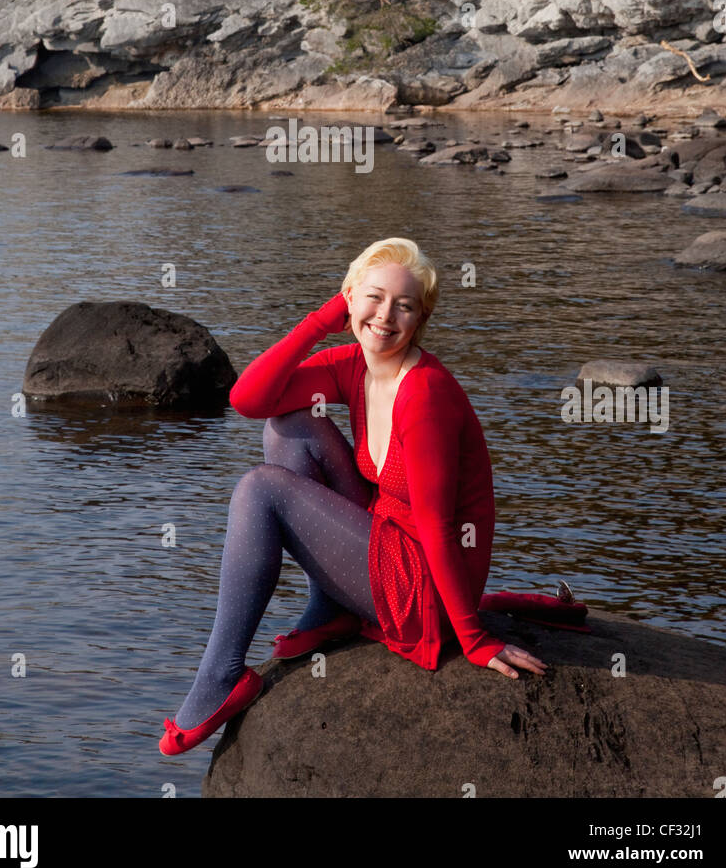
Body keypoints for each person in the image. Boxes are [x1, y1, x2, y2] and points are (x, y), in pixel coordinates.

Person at [159, 236, 548, 757]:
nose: (386, 316)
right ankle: (331, 608)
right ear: (348, 297)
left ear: (420, 319)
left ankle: (222, 675)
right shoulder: (354, 365)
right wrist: (321, 321)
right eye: (374, 297)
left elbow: (435, 526)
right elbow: (248, 399)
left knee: (260, 488)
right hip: (387, 535)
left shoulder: (425, 394)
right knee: (288, 423)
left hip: (421, 585)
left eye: (405, 306)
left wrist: (474, 638)